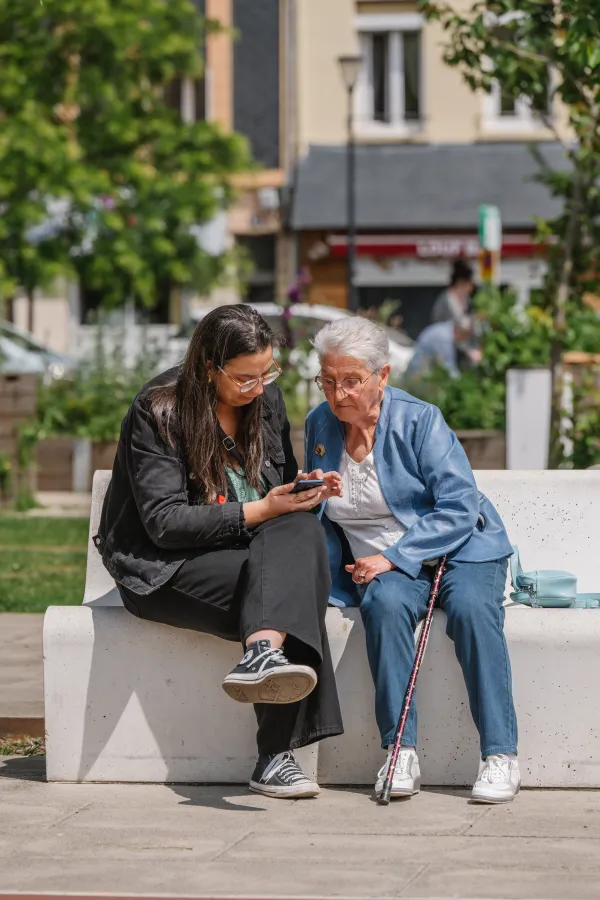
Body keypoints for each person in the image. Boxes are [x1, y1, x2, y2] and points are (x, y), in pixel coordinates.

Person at [94, 305, 344, 799]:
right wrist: (263, 511)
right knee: (291, 588)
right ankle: (275, 756)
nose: (259, 386)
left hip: (246, 551)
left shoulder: (266, 400)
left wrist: (301, 491)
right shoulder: (159, 410)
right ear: (210, 368)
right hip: (163, 568)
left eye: (267, 372)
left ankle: (260, 653)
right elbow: (164, 525)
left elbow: (276, 483)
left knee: (301, 536)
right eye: (245, 378)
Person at [305, 316, 519, 803]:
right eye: (328, 379)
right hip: (384, 564)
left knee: (470, 611)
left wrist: (394, 556)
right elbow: (327, 509)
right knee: (382, 604)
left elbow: (459, 505)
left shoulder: (420, 420)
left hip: (460, 549)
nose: (338, 394)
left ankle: (501, 755)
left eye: (351, 380)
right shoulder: (320, 423)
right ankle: (399, 749)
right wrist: (318, 493)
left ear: (382, 377)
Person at [403, 318, 480, 381]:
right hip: (419, 367)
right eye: (466, 337)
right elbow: (449, 367)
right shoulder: (445, 339)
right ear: (460, 333)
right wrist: (462, 382)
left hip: (422, 361)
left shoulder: (447, 328)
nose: (464, 340)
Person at [431, 259, 475, 327]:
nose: (471, 288)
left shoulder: (467, 300)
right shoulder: (444, 302)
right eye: (469, 284)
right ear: (460, 283)